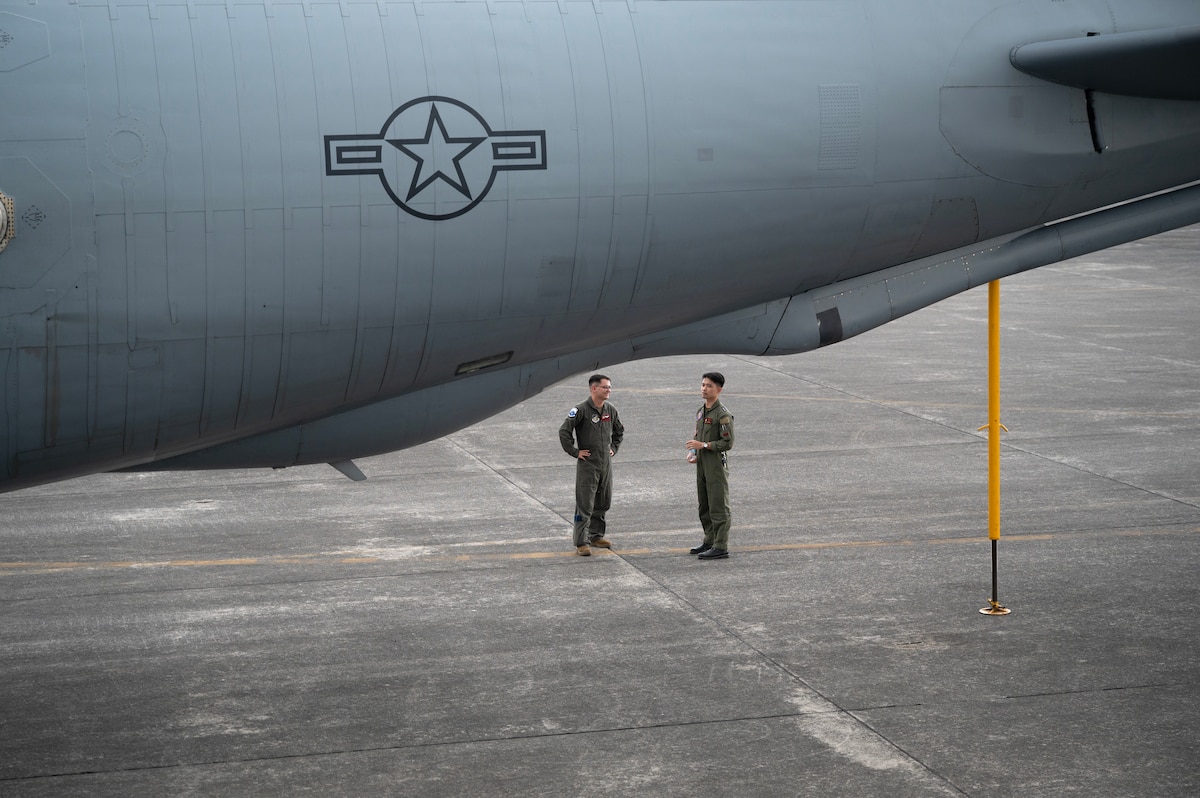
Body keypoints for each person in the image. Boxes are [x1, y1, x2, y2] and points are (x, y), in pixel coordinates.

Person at [559, 374, 624, 556]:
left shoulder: (610, 410)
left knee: (603, 501)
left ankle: (596, 535)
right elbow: (564, 431)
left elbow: (619, 431)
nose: (609, 390)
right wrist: (575, 451)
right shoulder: (580, 410)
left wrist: (614, 448)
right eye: (605, 387)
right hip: (588, 464)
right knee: (585, 503)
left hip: (605, 463)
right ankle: (581, 542)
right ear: (593, 388)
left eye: (609, 387)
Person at [685, 372, 734, 560]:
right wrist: (694, 452)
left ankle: (721, 545)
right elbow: (698, 433)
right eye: (703, 385)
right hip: (703, 462)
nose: (704, 389)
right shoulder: (701, 411)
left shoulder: (723, 415)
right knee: (704, 504)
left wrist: (704, 446)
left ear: (719, 389)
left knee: (718, 505)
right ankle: (709, 540)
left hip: (715, 464)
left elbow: (727, 443)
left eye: (709, 386)